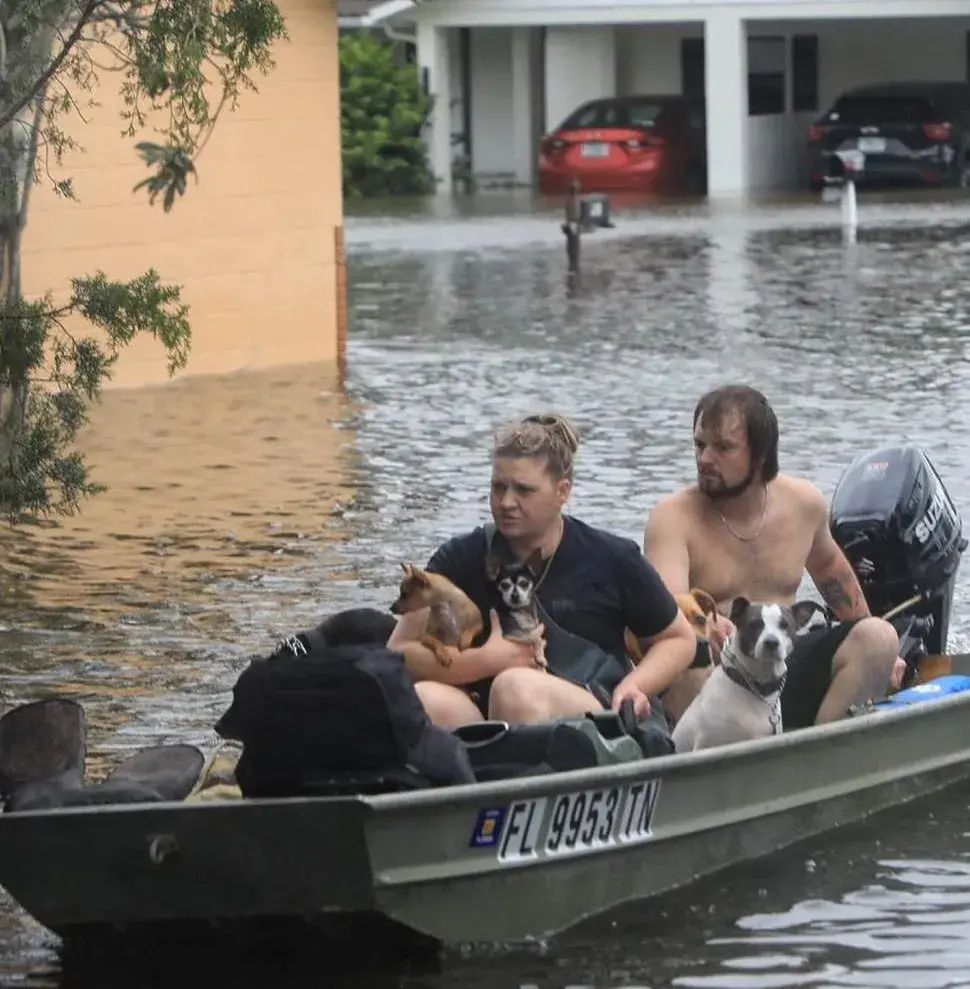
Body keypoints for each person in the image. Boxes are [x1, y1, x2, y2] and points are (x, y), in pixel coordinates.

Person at [388, 413, 696, 729]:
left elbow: (678, 639)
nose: (506, 502)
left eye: (524, 490)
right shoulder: (458, 558)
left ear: (563, 491)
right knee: (425, 699)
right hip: (485, 712)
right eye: (498, 487)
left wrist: (635, 685)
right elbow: (398, 652)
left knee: (515, 689)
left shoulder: (613, 557)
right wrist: (486, 661)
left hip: (590, 710)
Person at [644, 384, 903, 730]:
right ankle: (709, 774)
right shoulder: (672, 517)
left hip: (783, 667)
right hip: (718, 684)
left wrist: (887, 659)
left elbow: (831, 574)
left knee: (879, 637)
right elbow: (668, 607)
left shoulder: (803, 503)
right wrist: (706, 626)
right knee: (689, 656)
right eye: (700, 444)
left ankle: (820, 760)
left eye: (722, 447)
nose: (705, 459)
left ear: (760, 454)